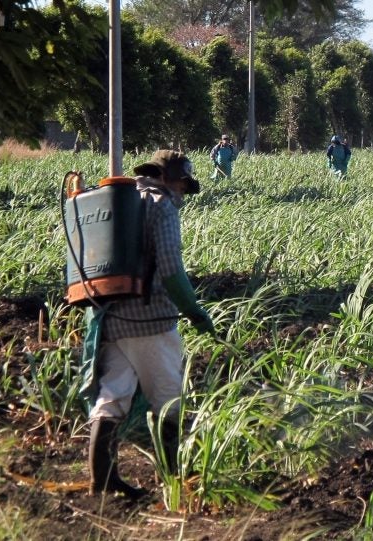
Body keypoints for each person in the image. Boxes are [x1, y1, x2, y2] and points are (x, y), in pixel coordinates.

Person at [84, 150, 214, 499]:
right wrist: (195, 312)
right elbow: (170, 268)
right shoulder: (162, 206)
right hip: (152, 320)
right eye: (184, 186)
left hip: (109, 318)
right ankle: (176, 483)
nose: (184, 194)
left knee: (112, 397)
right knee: (169, 399)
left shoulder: (118, 201)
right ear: (173, 179)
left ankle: (102, 482)